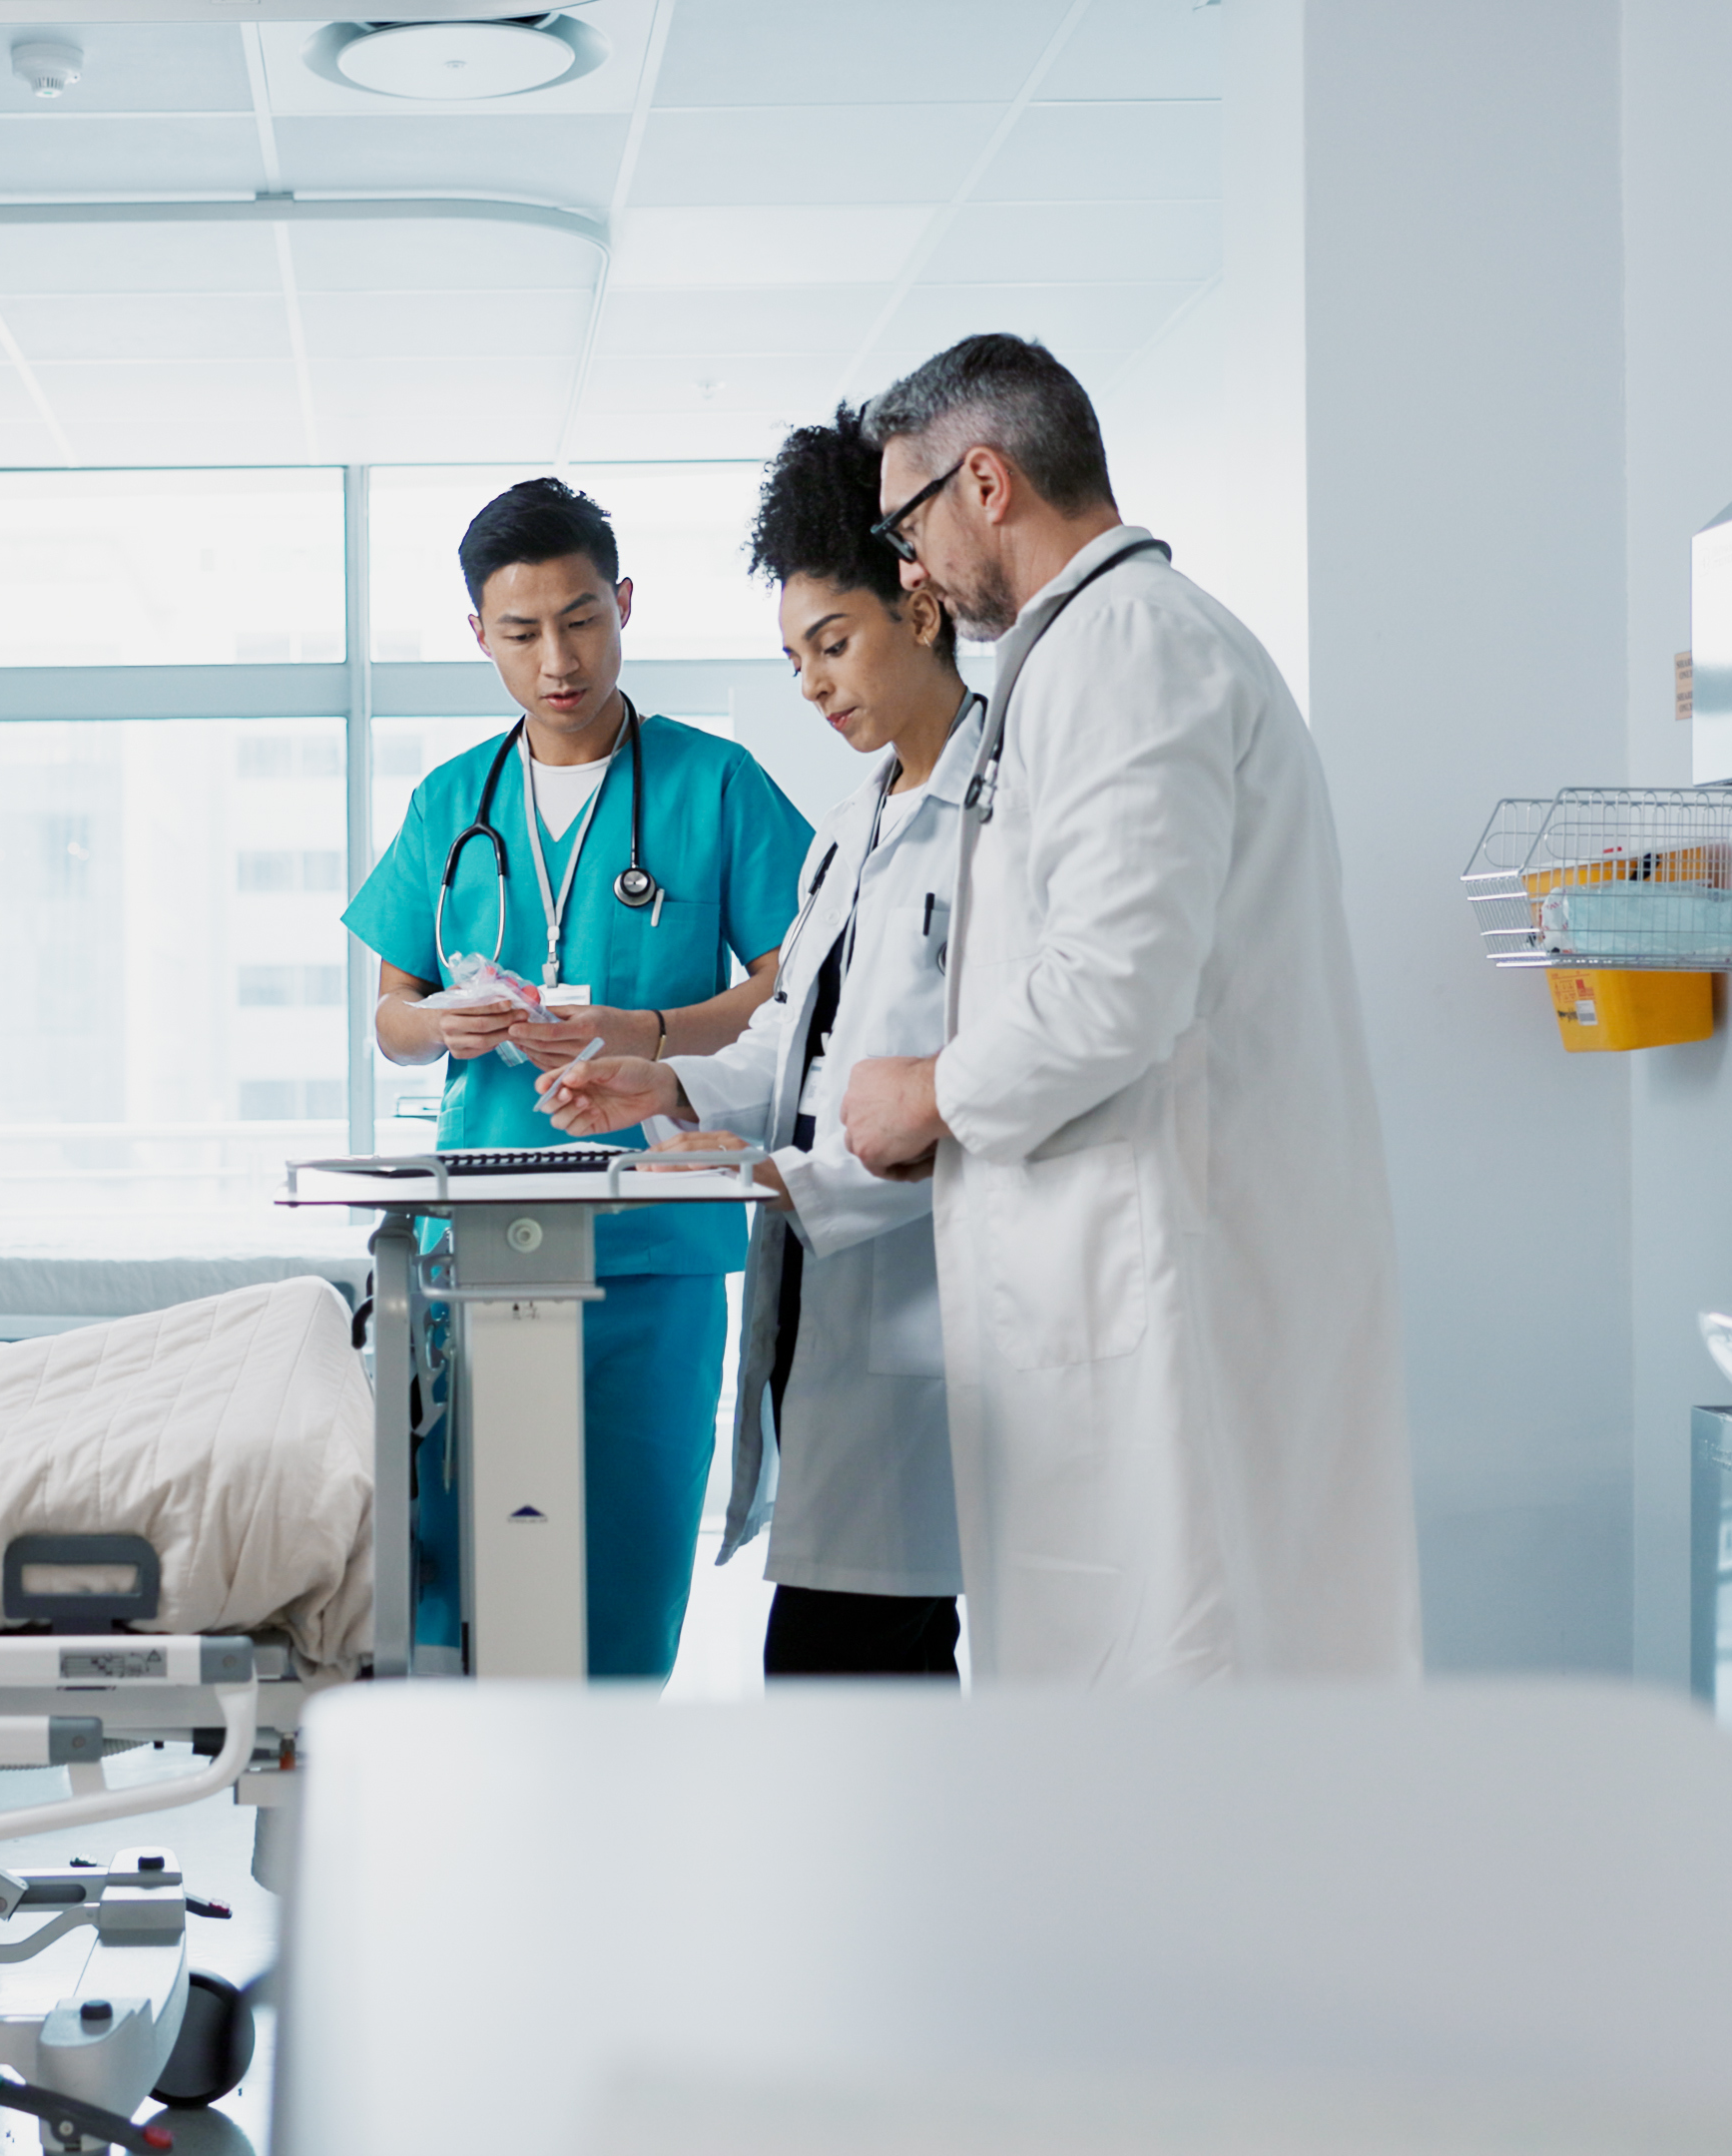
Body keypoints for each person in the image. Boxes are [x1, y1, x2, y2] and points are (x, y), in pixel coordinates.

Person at [834, 333, 1420, 1688]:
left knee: (1184, 1678)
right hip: (1120, 1276)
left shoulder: (1129, 651)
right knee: (1145, 1681)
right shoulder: (1090, 654)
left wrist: (925, 1093)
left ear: (986, 483)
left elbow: (1114, 989)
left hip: (1166, 1280)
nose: (907, 570)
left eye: (906, 525)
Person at [341, 477, 817, 1679]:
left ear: (625, 605)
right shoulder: (454, 800)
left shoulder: (714, 785)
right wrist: (439, 1020)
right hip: (484, 1226)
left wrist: (644, 1029)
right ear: (478, 635)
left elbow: (798, 986)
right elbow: (387, 1019)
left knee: (624, 1571)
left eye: (582, 618)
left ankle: (608, 1833)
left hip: (653, 1237)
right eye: (520, 631)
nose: (557, 656)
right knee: (472, 1572)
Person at [538, 412, 972, 1680]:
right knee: (845, 1680)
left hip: (931, 1319)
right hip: (833, 1322)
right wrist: (666, 1080)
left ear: (922, 606)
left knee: (854, 1687)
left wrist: (780, 1176)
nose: (814, 686)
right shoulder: (854, 827)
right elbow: (800, 1036)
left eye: (831, 645)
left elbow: (979, 1087)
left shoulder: (998, 819)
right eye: (793, 661)